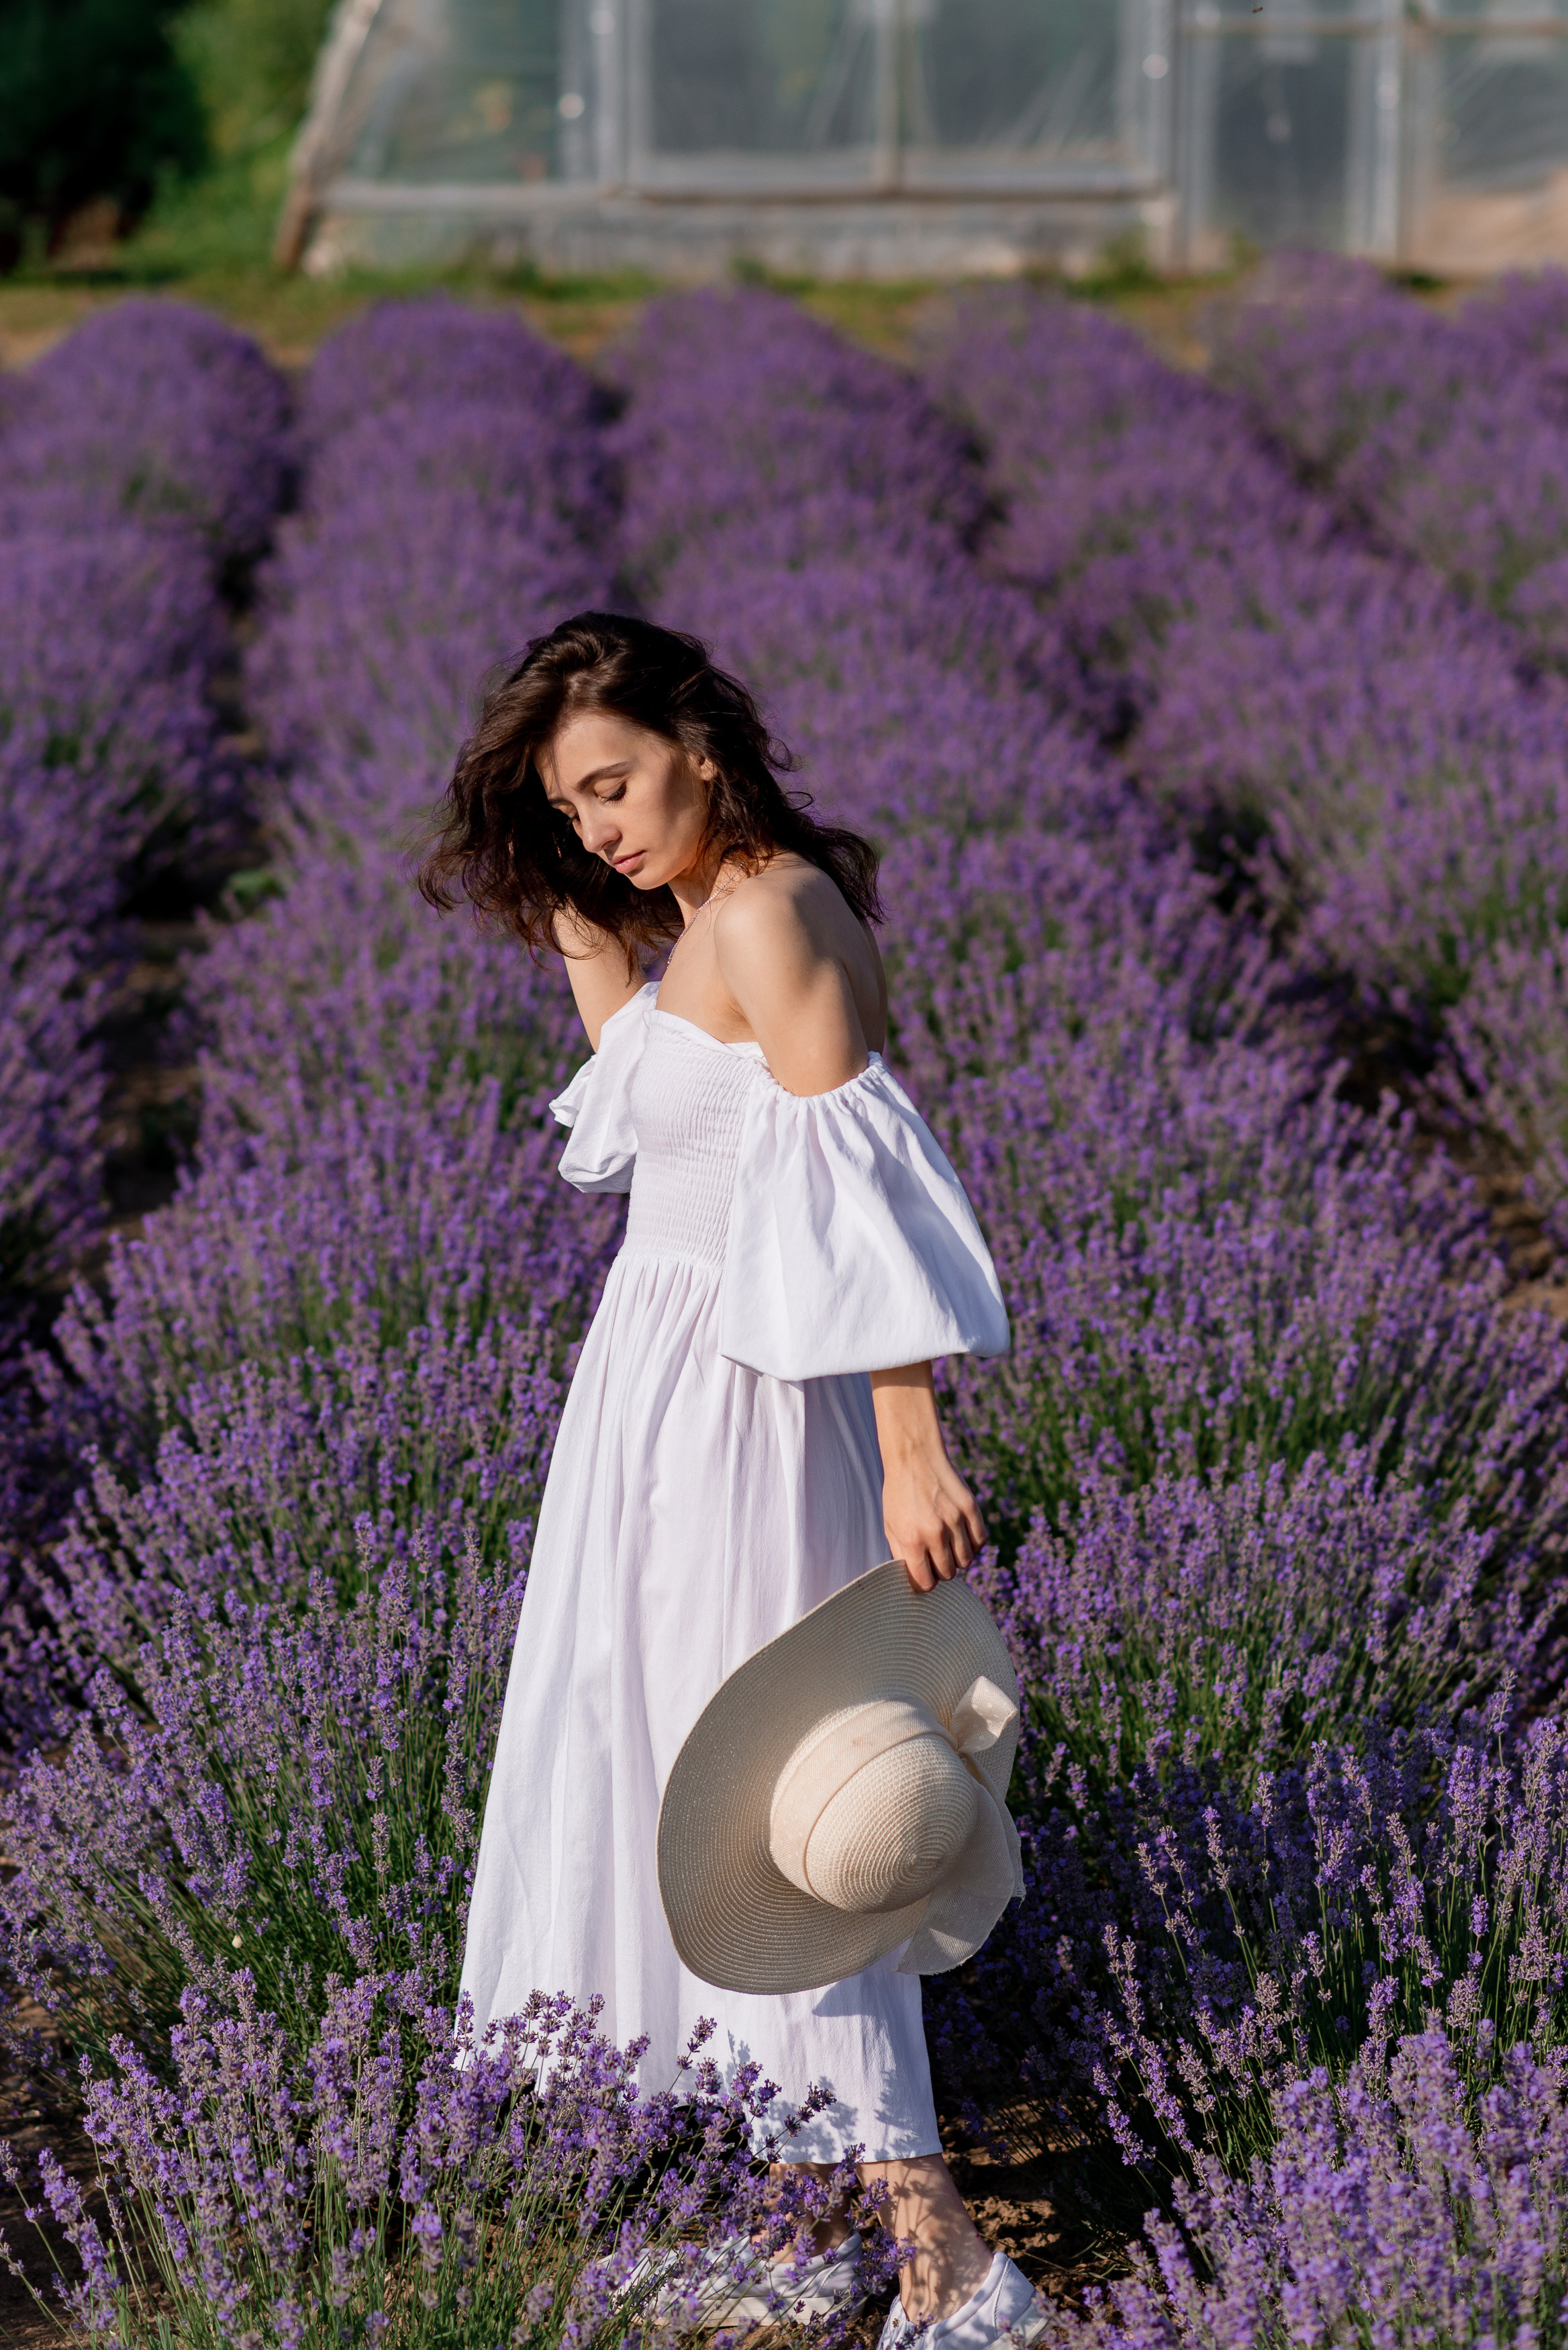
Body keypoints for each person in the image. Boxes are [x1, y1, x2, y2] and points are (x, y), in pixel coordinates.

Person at [419, 612, 1040, 2348]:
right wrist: (567, 913)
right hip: (655, 1414)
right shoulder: (707, 914)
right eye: (572, 807)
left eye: (612, 784)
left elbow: (861, 1200)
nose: (603, 826)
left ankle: (958, 2265)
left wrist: (914, 1449)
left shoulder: (774, 914)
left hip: (752, 1422)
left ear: (699, 740)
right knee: (694, 1807)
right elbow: (647, 1101)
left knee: (798, 1820)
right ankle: (804, 2223)